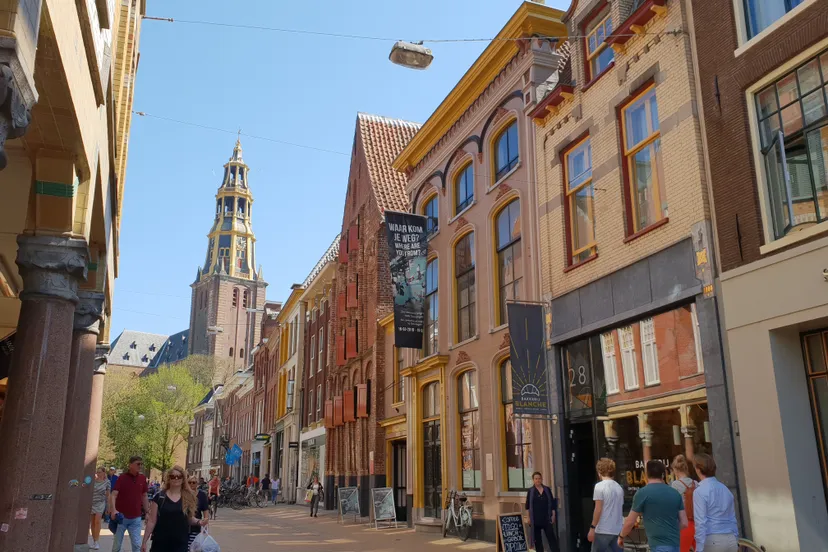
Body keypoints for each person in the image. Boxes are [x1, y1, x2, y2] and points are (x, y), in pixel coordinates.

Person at [619, 460, 688, 552]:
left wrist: (621, 536)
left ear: (647, 474)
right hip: (675, 545)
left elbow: (630, 522)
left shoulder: (642, 493)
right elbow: (684, 523)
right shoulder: (675, 493)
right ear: (663, 475)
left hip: (657, 545)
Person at [141, 466, 206, 552]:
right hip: (160, 542)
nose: (176, 478)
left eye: (179, 476)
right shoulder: (159, 497)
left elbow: (189, 518)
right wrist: (144, 541)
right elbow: (152, 521)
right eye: (173, 476)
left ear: (183, 479)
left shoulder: (188, 497)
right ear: (169, 478)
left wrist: (199, 521)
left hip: (180, 543)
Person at [692, 453, 739, 552]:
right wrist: (735, 538)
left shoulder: (699, 491)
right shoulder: (725, 489)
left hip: (713, 538)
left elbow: (700, 522)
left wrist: (699, 548)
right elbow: (732, 517)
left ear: (698, 469)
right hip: (730, 538)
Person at [109, 455, 150, 552]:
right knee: (117, 546)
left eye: (141, 464)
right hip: (121, 517)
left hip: (136, 517)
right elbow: (114, 494)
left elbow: (144, 496)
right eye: (138, 464)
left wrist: (147, 512)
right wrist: (113, 510)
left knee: (137, 545)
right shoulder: (122, 478)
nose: (140, 466)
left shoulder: (142, 478)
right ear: (130, 465)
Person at [587, 458, 624, 552]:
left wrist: (592, 528)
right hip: (617, 530)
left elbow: (598, 509)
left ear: (599, 472)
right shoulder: (619, 488)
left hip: (602, 530)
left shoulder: (599, 487)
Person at [524, 471, 559, 552]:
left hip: (546, 518)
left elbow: (552, 503)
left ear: (541, 479)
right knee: (538, 541)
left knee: (551, 537)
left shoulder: (547, 489)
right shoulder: (531, 491)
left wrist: (553, 515)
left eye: (539, 478)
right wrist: (528, 517)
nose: (538, 480)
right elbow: (527, 506)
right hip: (535, 519)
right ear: (533, 480)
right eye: (536, 479)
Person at [671, 455, 698, 552]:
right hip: (697, 522)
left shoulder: (674, 485)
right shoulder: (695, 483)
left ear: (675, 470)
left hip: (683, 523)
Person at [89, 467, 111, 550]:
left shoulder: (107, 482)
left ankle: (97, 541)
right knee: (92, 523)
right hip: (92, 503)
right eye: (97, 472)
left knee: (97, 521)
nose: (98, 474)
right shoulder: (93, 481)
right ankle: (94, 541)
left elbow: (108, 495)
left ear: (104, 473)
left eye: (100, 472)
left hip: (100, 503)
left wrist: (108, 506)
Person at [187, 475, 211, 549]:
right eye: (189, 482)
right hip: (185, 526)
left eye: (193, 482)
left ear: (197, 484)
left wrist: (205, 524)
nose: (191, 484)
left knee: (194, 547)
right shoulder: (184, 494)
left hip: (196, 526)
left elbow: (205, 510)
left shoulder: (202, 495)